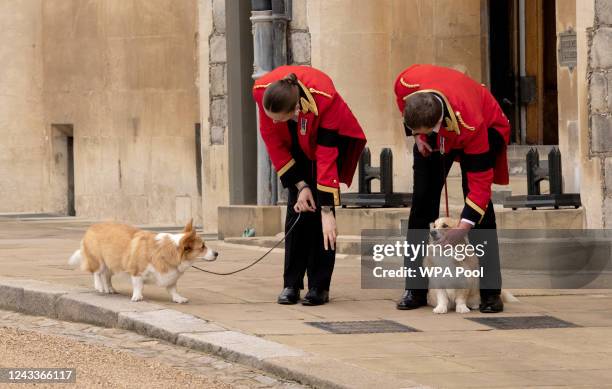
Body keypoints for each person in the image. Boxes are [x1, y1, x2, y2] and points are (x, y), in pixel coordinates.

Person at [393, 64, 510, 313]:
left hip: (486, 128)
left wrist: (463, 227)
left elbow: (480, 186)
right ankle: (415, 287)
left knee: (482, 212)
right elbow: (401, 101)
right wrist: (418, 137)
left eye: (426, 131)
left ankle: (490, 291)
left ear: (437, 122)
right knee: (422, 203)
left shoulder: (471, 123)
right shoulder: (406, 83)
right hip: (437, 125)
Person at [252, 65, 366, 306]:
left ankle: (319, 285)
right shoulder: (264, 93)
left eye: (277, 118)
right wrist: (301, 185)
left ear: (294, 109)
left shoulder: (326, 100)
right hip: (294, 141)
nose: (272, 121)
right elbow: (272, 141)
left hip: (325, 137)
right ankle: (291, 283)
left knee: (322, 217)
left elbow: (326, 158)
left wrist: (327, 211)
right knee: (297, 208)